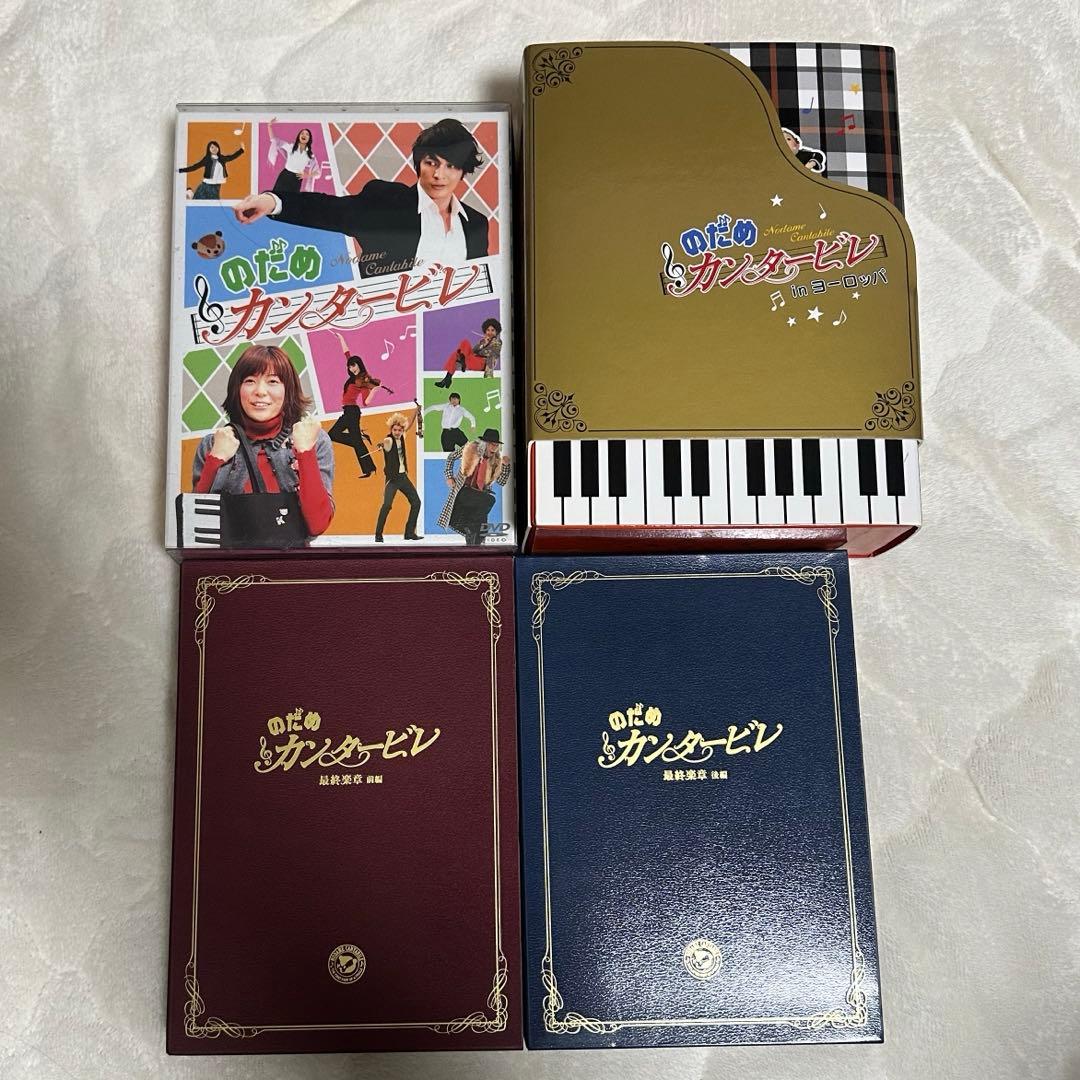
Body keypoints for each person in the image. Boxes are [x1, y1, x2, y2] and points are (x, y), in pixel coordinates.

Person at [232, 118, 488, 277]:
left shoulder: (476, 223)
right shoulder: (387, 202)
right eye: (432, 162)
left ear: (463, 170)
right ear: (419, 163)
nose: (439, 175)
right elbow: (328, 209)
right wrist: (271, 202)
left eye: (451, 166)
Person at [193, 345, 334, 539]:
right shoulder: (212, 444)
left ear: (288, 390)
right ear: (237, 389)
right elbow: (196, 524)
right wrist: (215, 460)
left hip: (290, 557)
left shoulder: (314, 439)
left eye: (273, 381)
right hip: (229, 557)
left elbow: (317, 525)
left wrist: (305, 452)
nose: (260, 391)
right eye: (250, 381)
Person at [326, 331, 391, 478]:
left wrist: (374, 390)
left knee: (345, 438)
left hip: (352, 412)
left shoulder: (363, 380)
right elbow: (347, 353)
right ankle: (361, 445)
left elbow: (366, 402)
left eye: (354, 366)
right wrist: (341, 338)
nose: (352, 369)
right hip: (347, 411)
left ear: (359, 365)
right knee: (334, 435)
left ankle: (368, 468)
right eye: (350, 367)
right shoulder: (354, 377)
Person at [437, 428, 511, 545]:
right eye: (492, 445)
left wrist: (506, 466)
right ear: (485, 443)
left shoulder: (496, 460)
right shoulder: (470, 449)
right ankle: (470, 531)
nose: (494, 448)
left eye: (496, 445)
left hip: (479, 498)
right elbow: (451, 457)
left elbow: (501, 482)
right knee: (490, 500)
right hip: (464, 492)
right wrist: (449, 476)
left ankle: (472, 545)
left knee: (480, 532)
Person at [374, 409, 422, 542]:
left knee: (416, 502)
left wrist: (416, 412)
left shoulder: (402, 437)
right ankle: (378, 534)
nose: (397, 432)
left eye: (400, 430)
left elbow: (409, 425)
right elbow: (386, 442)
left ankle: (409, 533)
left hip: (403, 478)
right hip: (392, 480)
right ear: (391, 429)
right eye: (395, 430)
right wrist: (381, 445)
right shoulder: (389, 440)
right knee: (387, 505)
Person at [434, 318, 502, 388]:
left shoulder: (497, 342)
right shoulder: (483, 341)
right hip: (474, 360)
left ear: (496, 331)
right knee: (463, 344)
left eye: (492, 330)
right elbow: (474, 350)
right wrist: (483, 343)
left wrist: (484, 345)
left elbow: (489, 354)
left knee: (458, 354)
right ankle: (448, 378)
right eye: (488, 330)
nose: (490, 332)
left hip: (483, 363)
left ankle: (448, 377)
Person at [178, 139, 246, 200]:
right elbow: (195, 166)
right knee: (200, 201)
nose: (214, 149)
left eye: (216, 147)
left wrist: (241, 150)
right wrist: (182, 170)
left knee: (211, 202)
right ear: (209, 149)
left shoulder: (221, 158)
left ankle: (190, 193)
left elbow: (231, 157)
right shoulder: (207, 159)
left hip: (217, 185)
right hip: (206, 185)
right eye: (212, 147)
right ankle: (189, 193)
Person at [267, 119, 317, 194]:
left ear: (309, 139)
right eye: (302, 133)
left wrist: (307, 175)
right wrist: (269, 126)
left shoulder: (310, 155)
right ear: (299, 136)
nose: (304, 135)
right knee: (277, 196)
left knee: (292, 199)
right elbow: (274, 140)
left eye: (307, 134)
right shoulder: (291, 147)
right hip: (285, 175)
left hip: (297, 178)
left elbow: (317, 172)